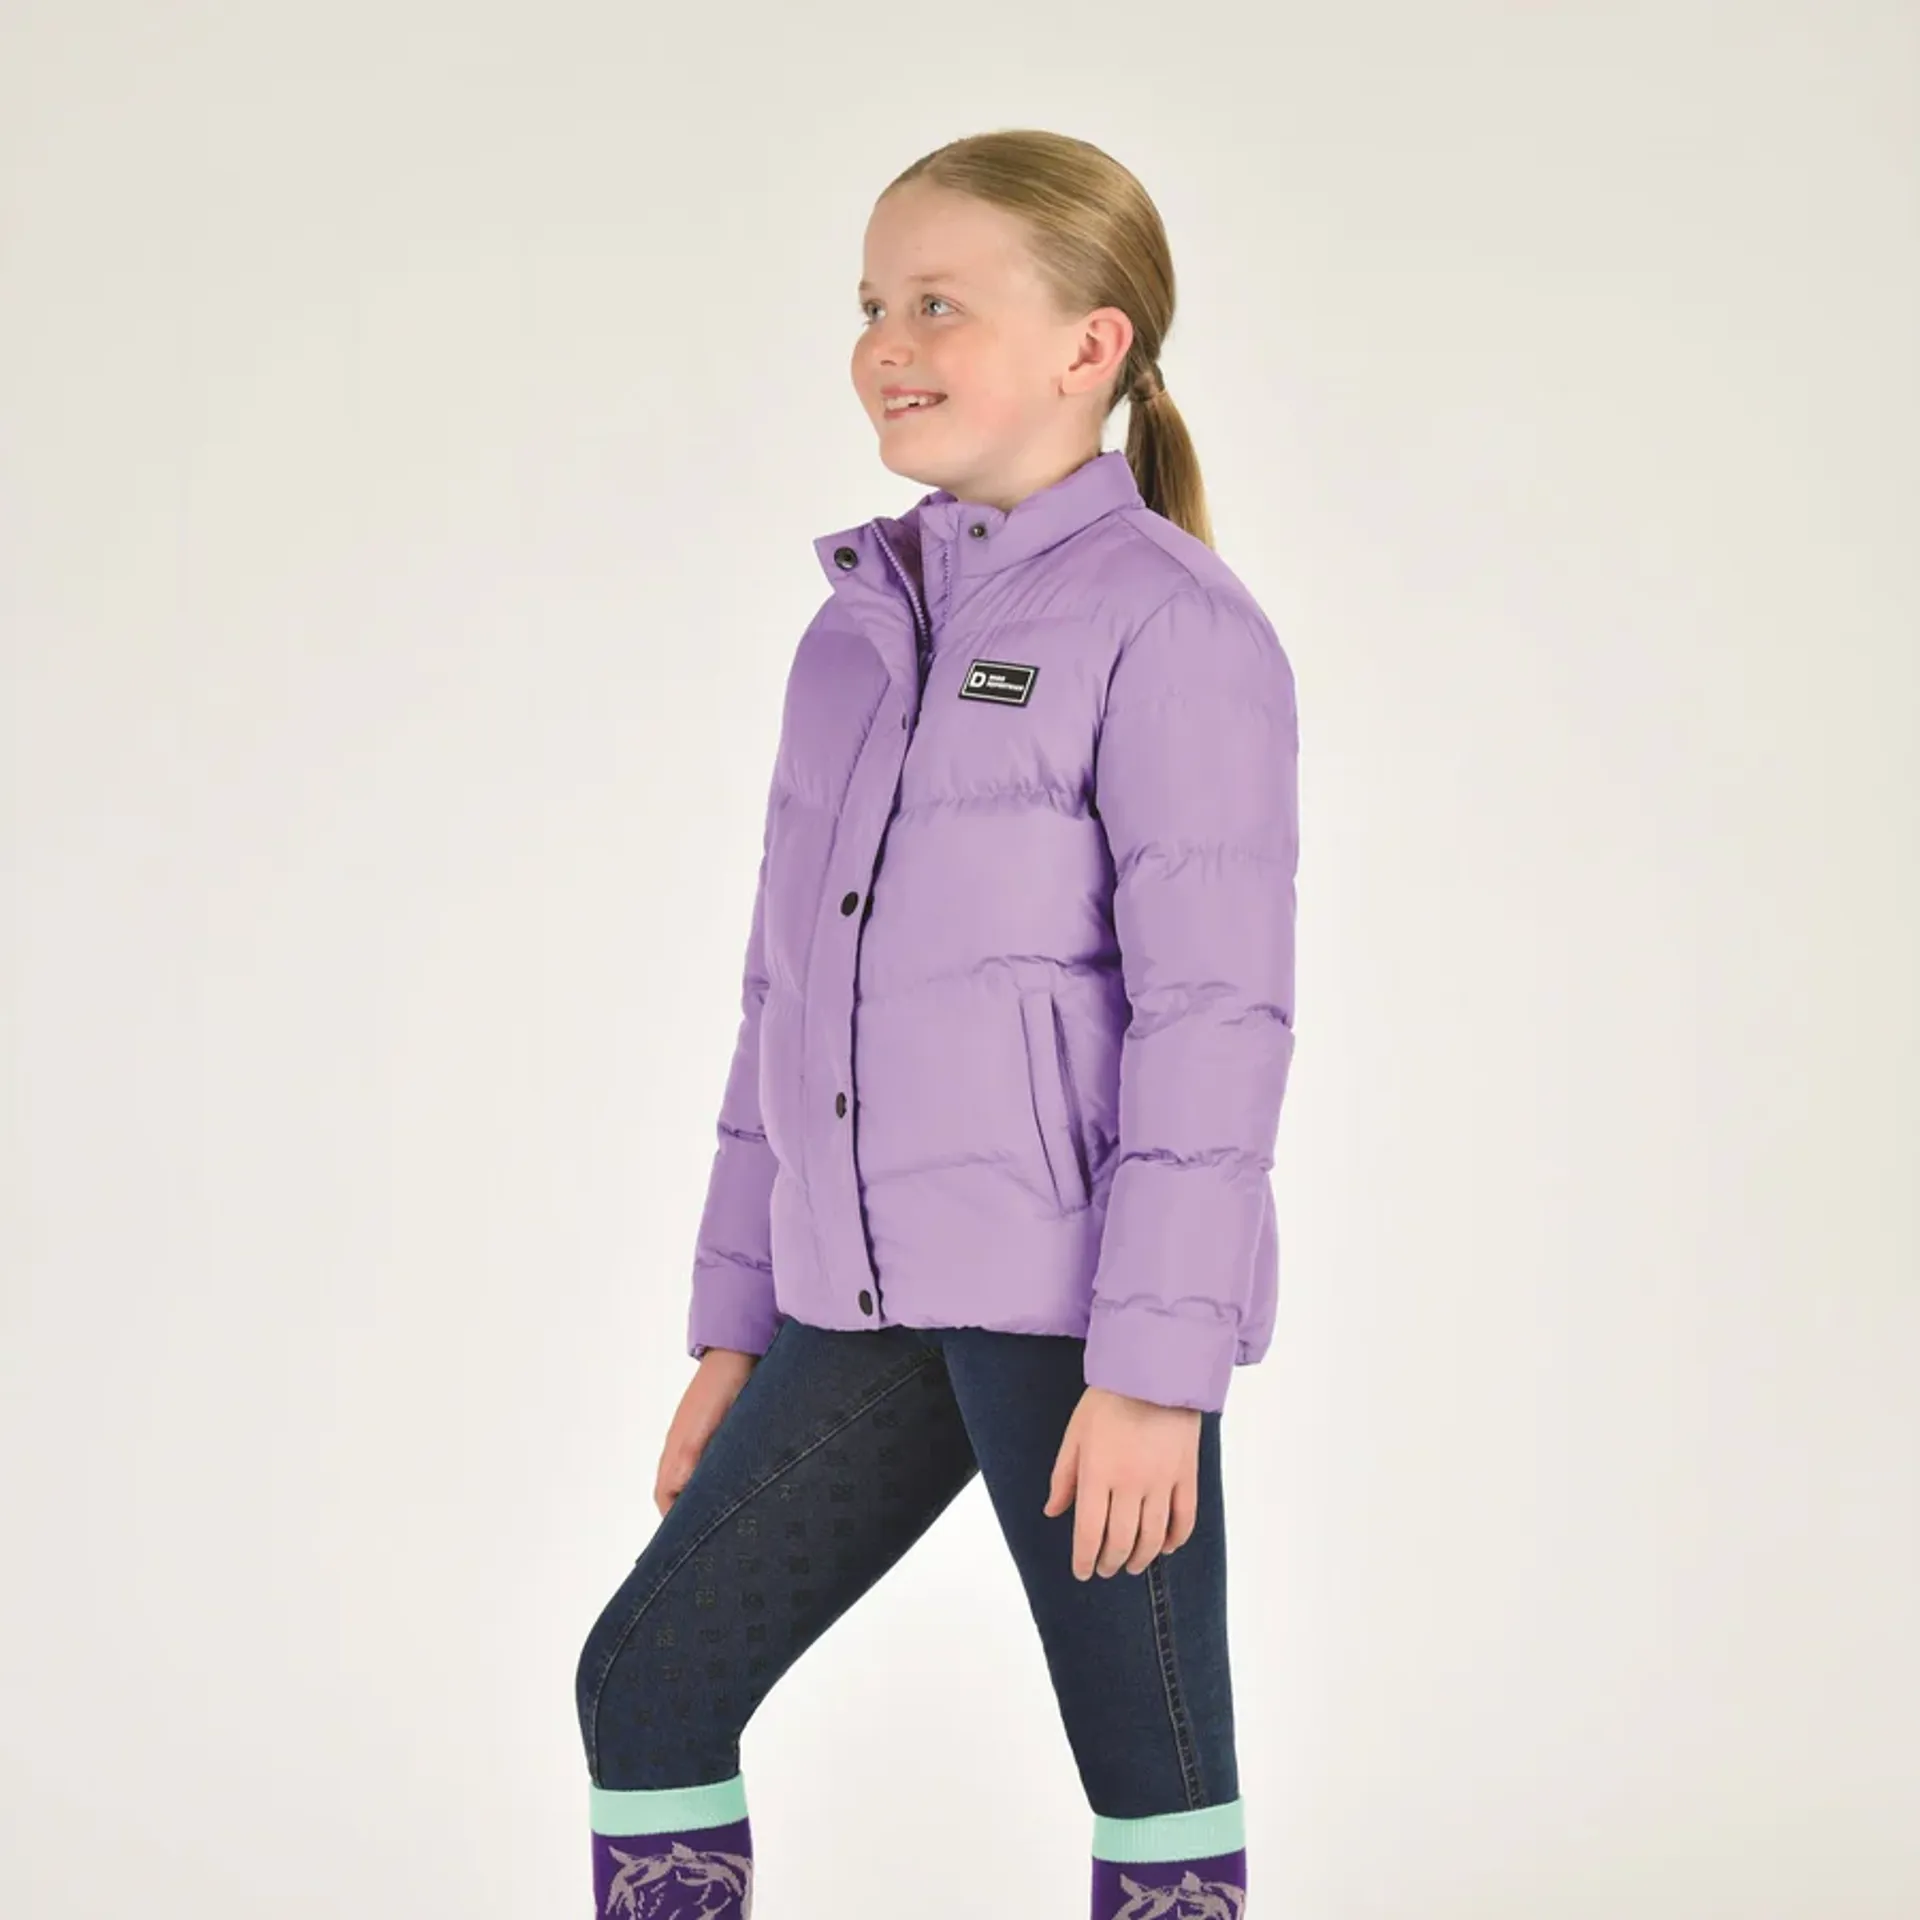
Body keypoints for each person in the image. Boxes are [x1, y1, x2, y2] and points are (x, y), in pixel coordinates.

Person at [575, 127, 1299, 1920]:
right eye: (873, 305)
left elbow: (1215, 1020)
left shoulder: (1172, 626)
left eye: (940, 305)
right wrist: (738, 1325)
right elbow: (783, 998)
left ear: (1089, 346)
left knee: (1152, 1778)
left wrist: (1158, 1370)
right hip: (861, 1304)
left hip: (1076, 1319)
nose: (888, 344)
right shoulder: (856, 634)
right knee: (647, 1685)